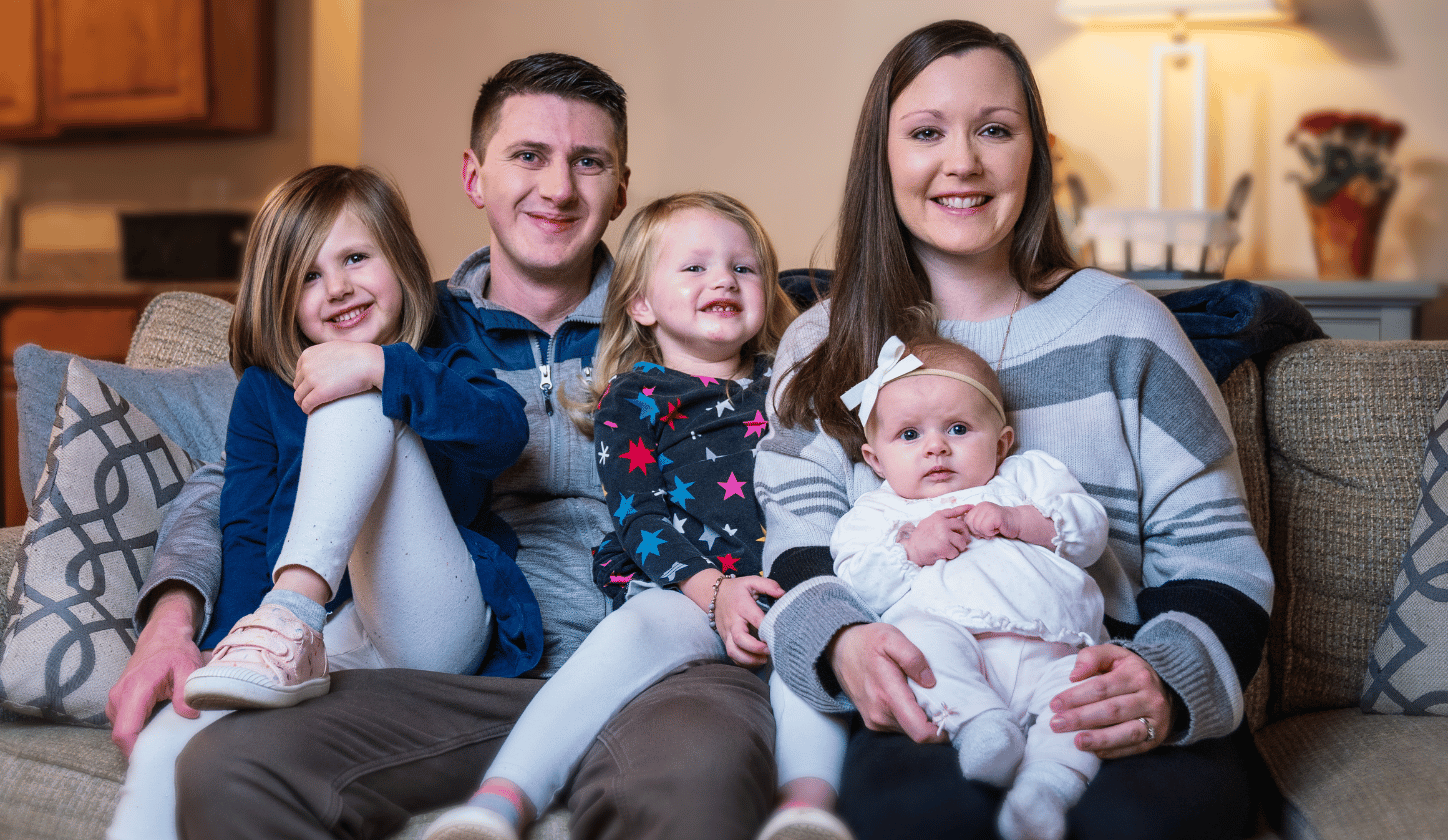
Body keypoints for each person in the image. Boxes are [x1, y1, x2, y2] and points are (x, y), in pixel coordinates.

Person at [105, 54, 776, 840]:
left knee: (694, 783)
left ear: (620, 185)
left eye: (587, 162)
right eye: (528, 155)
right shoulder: (405, 324)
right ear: (474, 176)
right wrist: (171, 621)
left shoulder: (689, 307)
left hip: (669, 663)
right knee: (227, 763)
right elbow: (237, 478)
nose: (557, 188)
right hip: (478, 672)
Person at [755, 19, 1273, 840]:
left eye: (994, 130)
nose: (962, 162)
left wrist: (1165, 680)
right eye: (926, 133)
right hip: (931, 682)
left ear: (1035, 153)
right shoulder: (823, 345)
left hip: (1101, 678)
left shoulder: (1127, 328)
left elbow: (1216, 553)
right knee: (918, 819)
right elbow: (797, 546)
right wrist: (845, 640)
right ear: (881, 160)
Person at [106, 163, 539, 839]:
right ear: (279, 296)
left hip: (433, 627)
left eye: (356, 258)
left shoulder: (442, 359)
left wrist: (382, 368)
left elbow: (503, 433)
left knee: (355, 390)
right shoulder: (262, 394)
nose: (337, 288)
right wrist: (221, 650)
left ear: (399, 259)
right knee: (172, 739)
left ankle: (292, 611)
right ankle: (282, 625)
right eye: (308, 276)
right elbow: (243, 527)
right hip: (326, 644)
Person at [423, 192, 843, 840]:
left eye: (744, 267)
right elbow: (638, 515)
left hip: (794, 579)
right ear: (642, 302)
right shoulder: (639, 395)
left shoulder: (789, 381)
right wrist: (716, 594)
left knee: (816, 649)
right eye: (694, 267)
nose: (723, 280)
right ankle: (501, 801)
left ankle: (804, 810)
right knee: (630, 634)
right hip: (683, 589)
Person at [832, 332, 1108, 840]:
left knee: (1083, 699)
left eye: (958, 428)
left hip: (1055, 645)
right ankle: (981, 726)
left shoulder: (1025, 476)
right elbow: (856, 584)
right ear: (875, 460)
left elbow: (1089, 533)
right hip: (953, 647)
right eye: (909, 436)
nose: (936, 446)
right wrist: (913, 550)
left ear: (1001, 441)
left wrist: (1021, 521)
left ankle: (1045, 789)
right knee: (922, 645)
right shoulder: (878, 512)